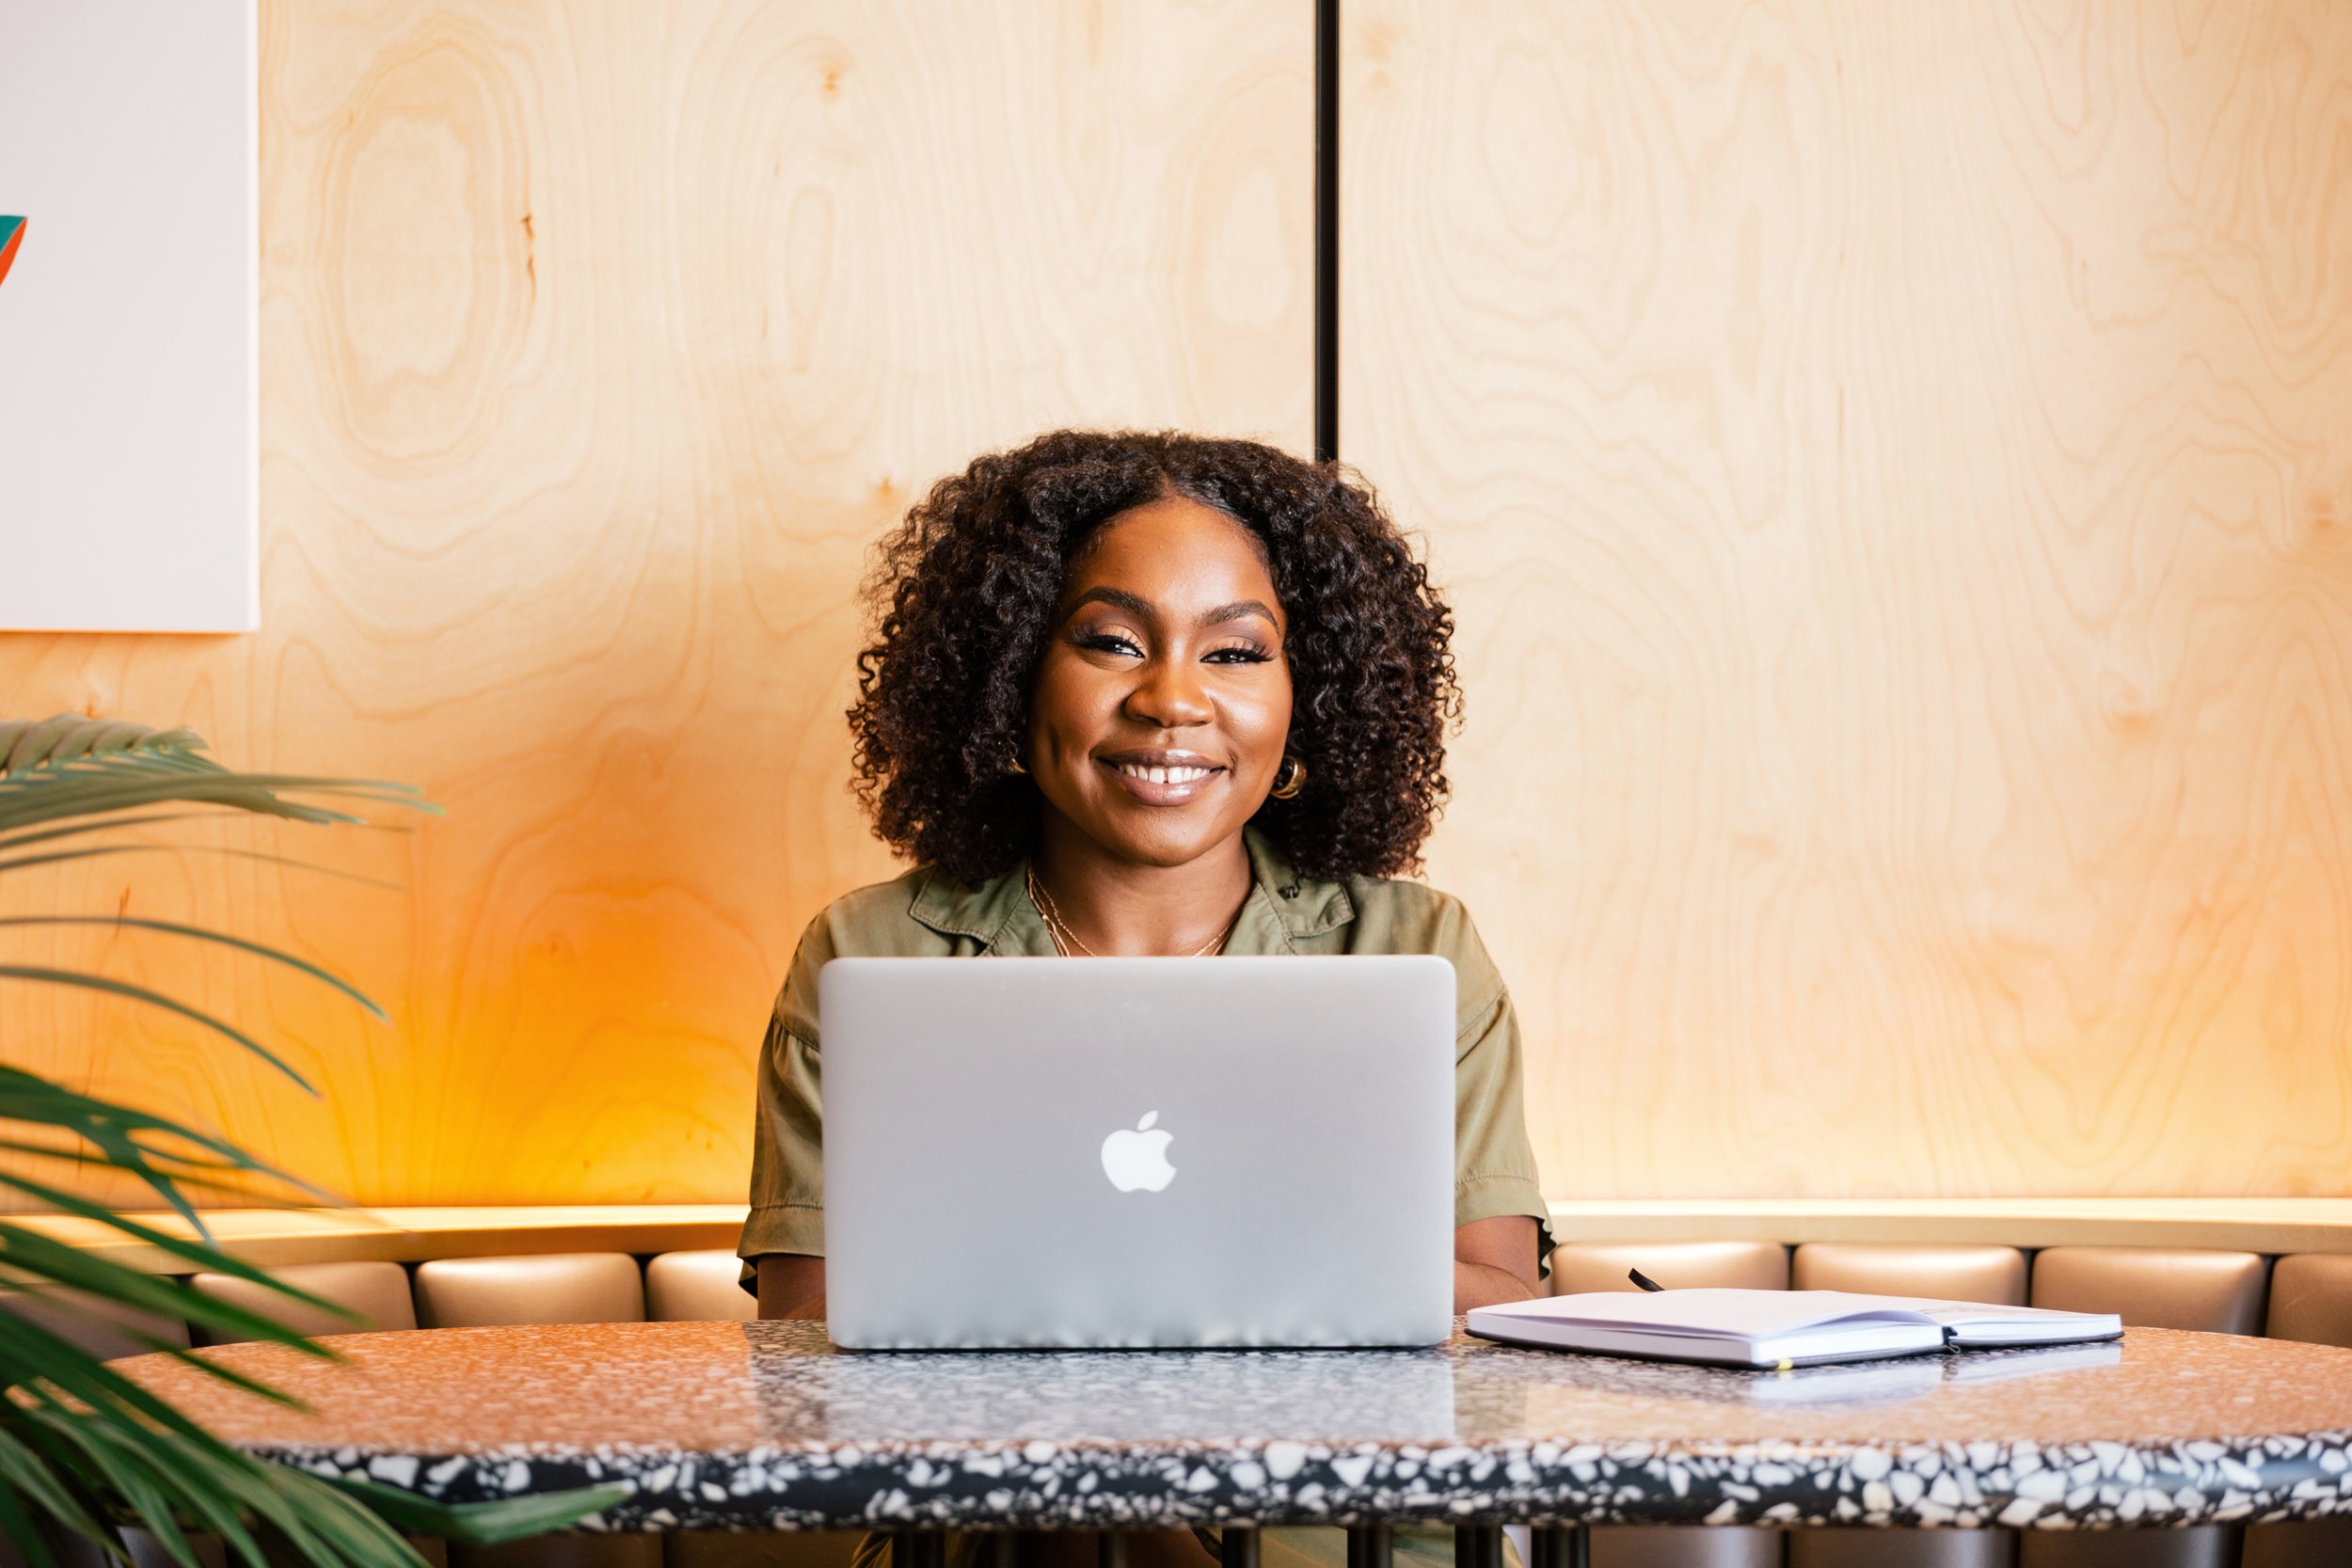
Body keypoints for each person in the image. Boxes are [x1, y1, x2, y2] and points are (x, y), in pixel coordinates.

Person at [739, 429, 1551, 1568]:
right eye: (1112, 641)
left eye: (1235, 652)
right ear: (1011, 668)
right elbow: (810, 1341)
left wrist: (1070, 1302)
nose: (1171, 699)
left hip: (1362, 1542)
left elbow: (1489, 1303)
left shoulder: (1416, 947)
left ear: (1303, 695)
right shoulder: (870, 955)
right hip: (1005, 1541)